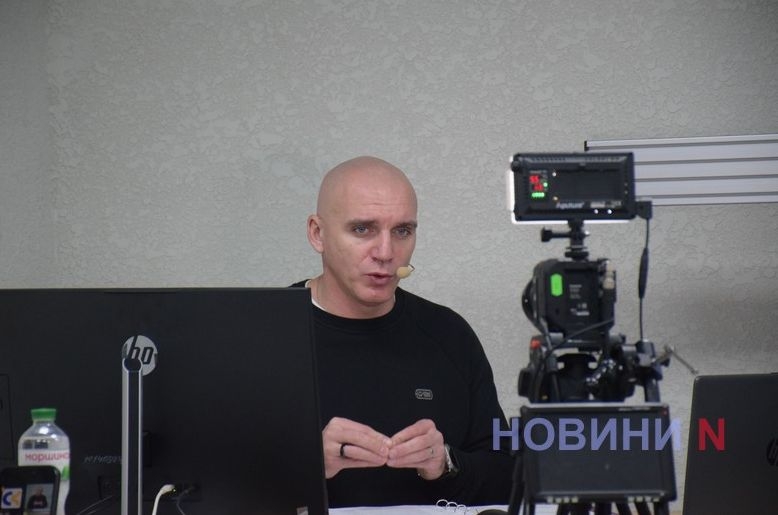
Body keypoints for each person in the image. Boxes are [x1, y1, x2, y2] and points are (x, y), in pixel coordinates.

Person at [292, 156, 516, 507]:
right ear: (317, 234)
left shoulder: (449, 333)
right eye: (362, 229)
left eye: (402, 231)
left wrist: (445, 463)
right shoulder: (259, 335)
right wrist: (302, 464)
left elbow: (507, 477)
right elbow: (208, 488)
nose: (386, 253)